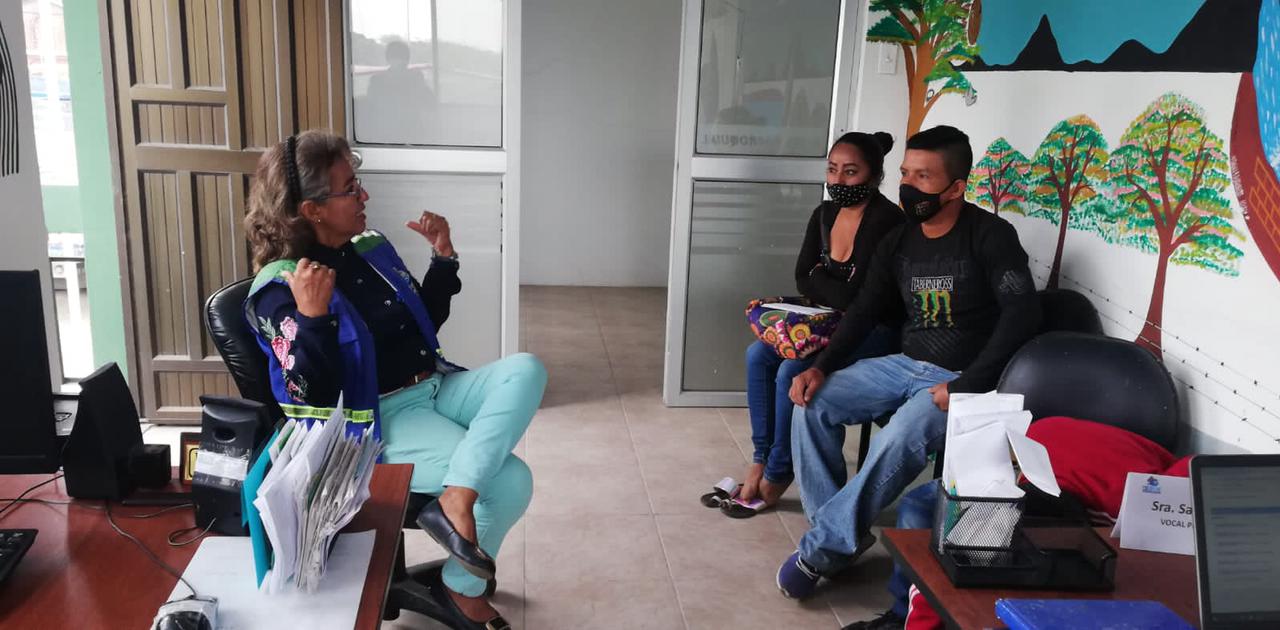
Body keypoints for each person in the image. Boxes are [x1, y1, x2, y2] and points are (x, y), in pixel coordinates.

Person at [243, 130, 544, 630]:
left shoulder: (367, 249)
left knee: (527, 369)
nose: (363, 195)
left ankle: (457, 500)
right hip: (375, 421)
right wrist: (313, 318)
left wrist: (443, 259)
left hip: (434, 385)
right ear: (312, 209)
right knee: (512, 480)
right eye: (349, 188)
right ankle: (460, 587)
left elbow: (422, 323)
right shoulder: (283, 287)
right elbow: (306, 398)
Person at [774, 125, 1042, 602]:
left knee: (899, 435)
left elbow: (1023, 314)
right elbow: (864, 311)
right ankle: (838, 534)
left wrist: (967, 385)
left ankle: (822, 550)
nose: (908, 186)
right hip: (905, 364)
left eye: (923, 177)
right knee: (812, 402)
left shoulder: (991, 236)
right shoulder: (899, 240)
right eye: (904, 174)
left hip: (963, 378)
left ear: (955, 188)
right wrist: (821, 367)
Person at [732, 131, 904, 515]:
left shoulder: (887, 221)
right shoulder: (824, 214)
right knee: (757, 355)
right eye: (832, 169)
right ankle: (760, 459)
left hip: (874, 329)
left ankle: (778, 472)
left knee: (790, 370)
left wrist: (823, 281)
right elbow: (802, 277)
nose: (838, 180)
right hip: (824, 323)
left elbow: (863, 301)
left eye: (851, 172)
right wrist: (835, 289)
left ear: (875, 176)